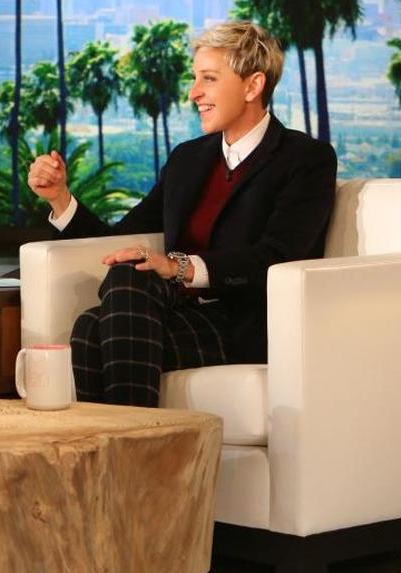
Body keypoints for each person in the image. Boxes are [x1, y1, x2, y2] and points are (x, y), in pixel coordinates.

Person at [26, 20, 337, 407]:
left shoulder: (305, 159)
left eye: (208, 79)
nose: (193, 93)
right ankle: (133, 453)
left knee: (94, 326)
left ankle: (118, 455)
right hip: (182, 314)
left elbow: (279, 255)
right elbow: (121, 239)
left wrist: (181, 267)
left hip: (245, 324)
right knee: (113, 292)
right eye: (195, 78)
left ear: (253, 86)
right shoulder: (188, 159)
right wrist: (59, 199)